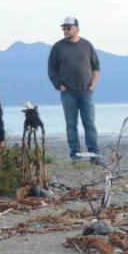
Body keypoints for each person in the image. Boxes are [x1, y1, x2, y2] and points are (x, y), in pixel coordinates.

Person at [47, 16, 101, 161]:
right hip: (68, 93)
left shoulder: (87, 45)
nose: (65, 30)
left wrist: (93, 84)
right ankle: (75, 155)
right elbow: (52, 69)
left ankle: (94, 154)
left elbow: (96, 66)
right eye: (63, 28)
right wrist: (59, 85)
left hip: (86, 92)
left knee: (89, 123)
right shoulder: (57, 47)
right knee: (71, 125)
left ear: (77, 28)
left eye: (68, 27)